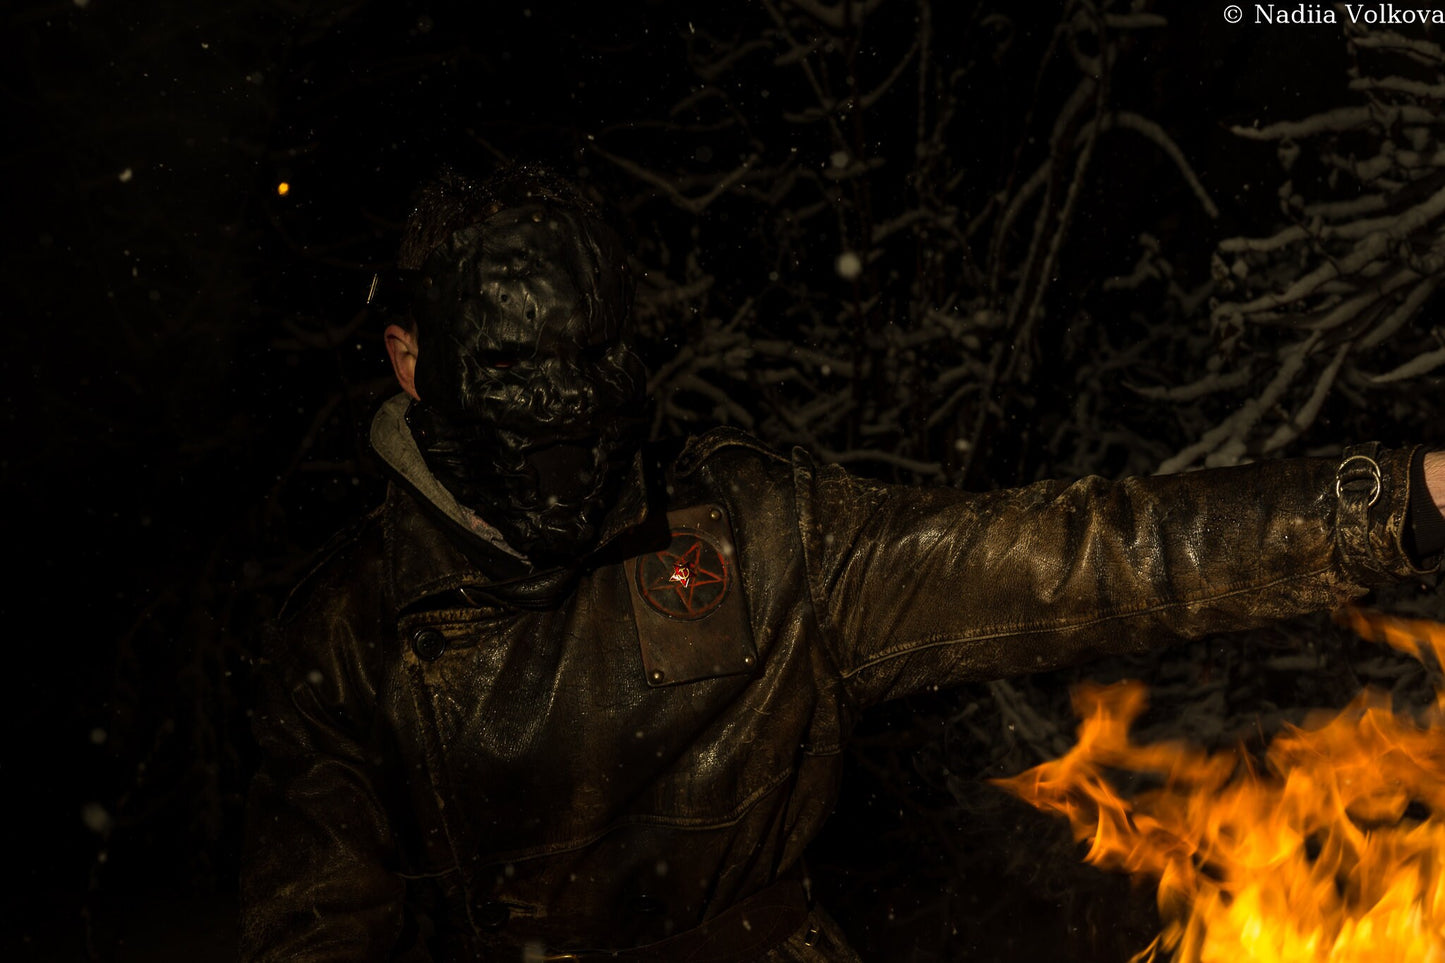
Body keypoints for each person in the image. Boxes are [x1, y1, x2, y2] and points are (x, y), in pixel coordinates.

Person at [240, 164, 1445, 962]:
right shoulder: (341, 647)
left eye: (594, 361)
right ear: (410, 362)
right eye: (513, 373)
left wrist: (1402, 501)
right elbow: (311, 928)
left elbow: (1080, 558)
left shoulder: (763, 537)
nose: (562, 411)